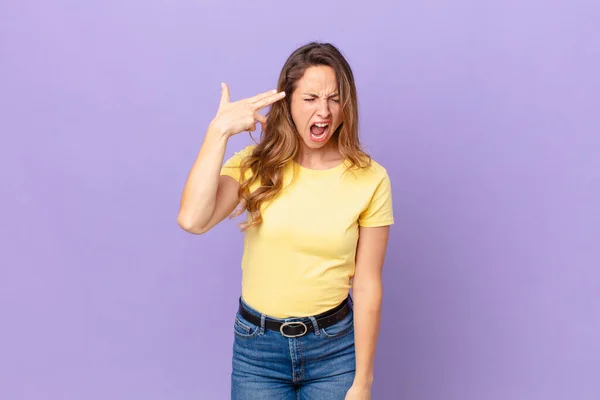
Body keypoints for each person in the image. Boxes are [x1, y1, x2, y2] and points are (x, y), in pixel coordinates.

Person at [178, 42, 394, 400]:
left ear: (346, 105)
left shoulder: (371, 179)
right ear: (288, 102)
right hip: (258, 352)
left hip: (334, 353)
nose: (323, 110)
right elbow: (192, 220)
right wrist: (218, 132)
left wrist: (363, 383)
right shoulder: (256, 164)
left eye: (334, 98)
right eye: (310, 98)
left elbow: (368, 285)